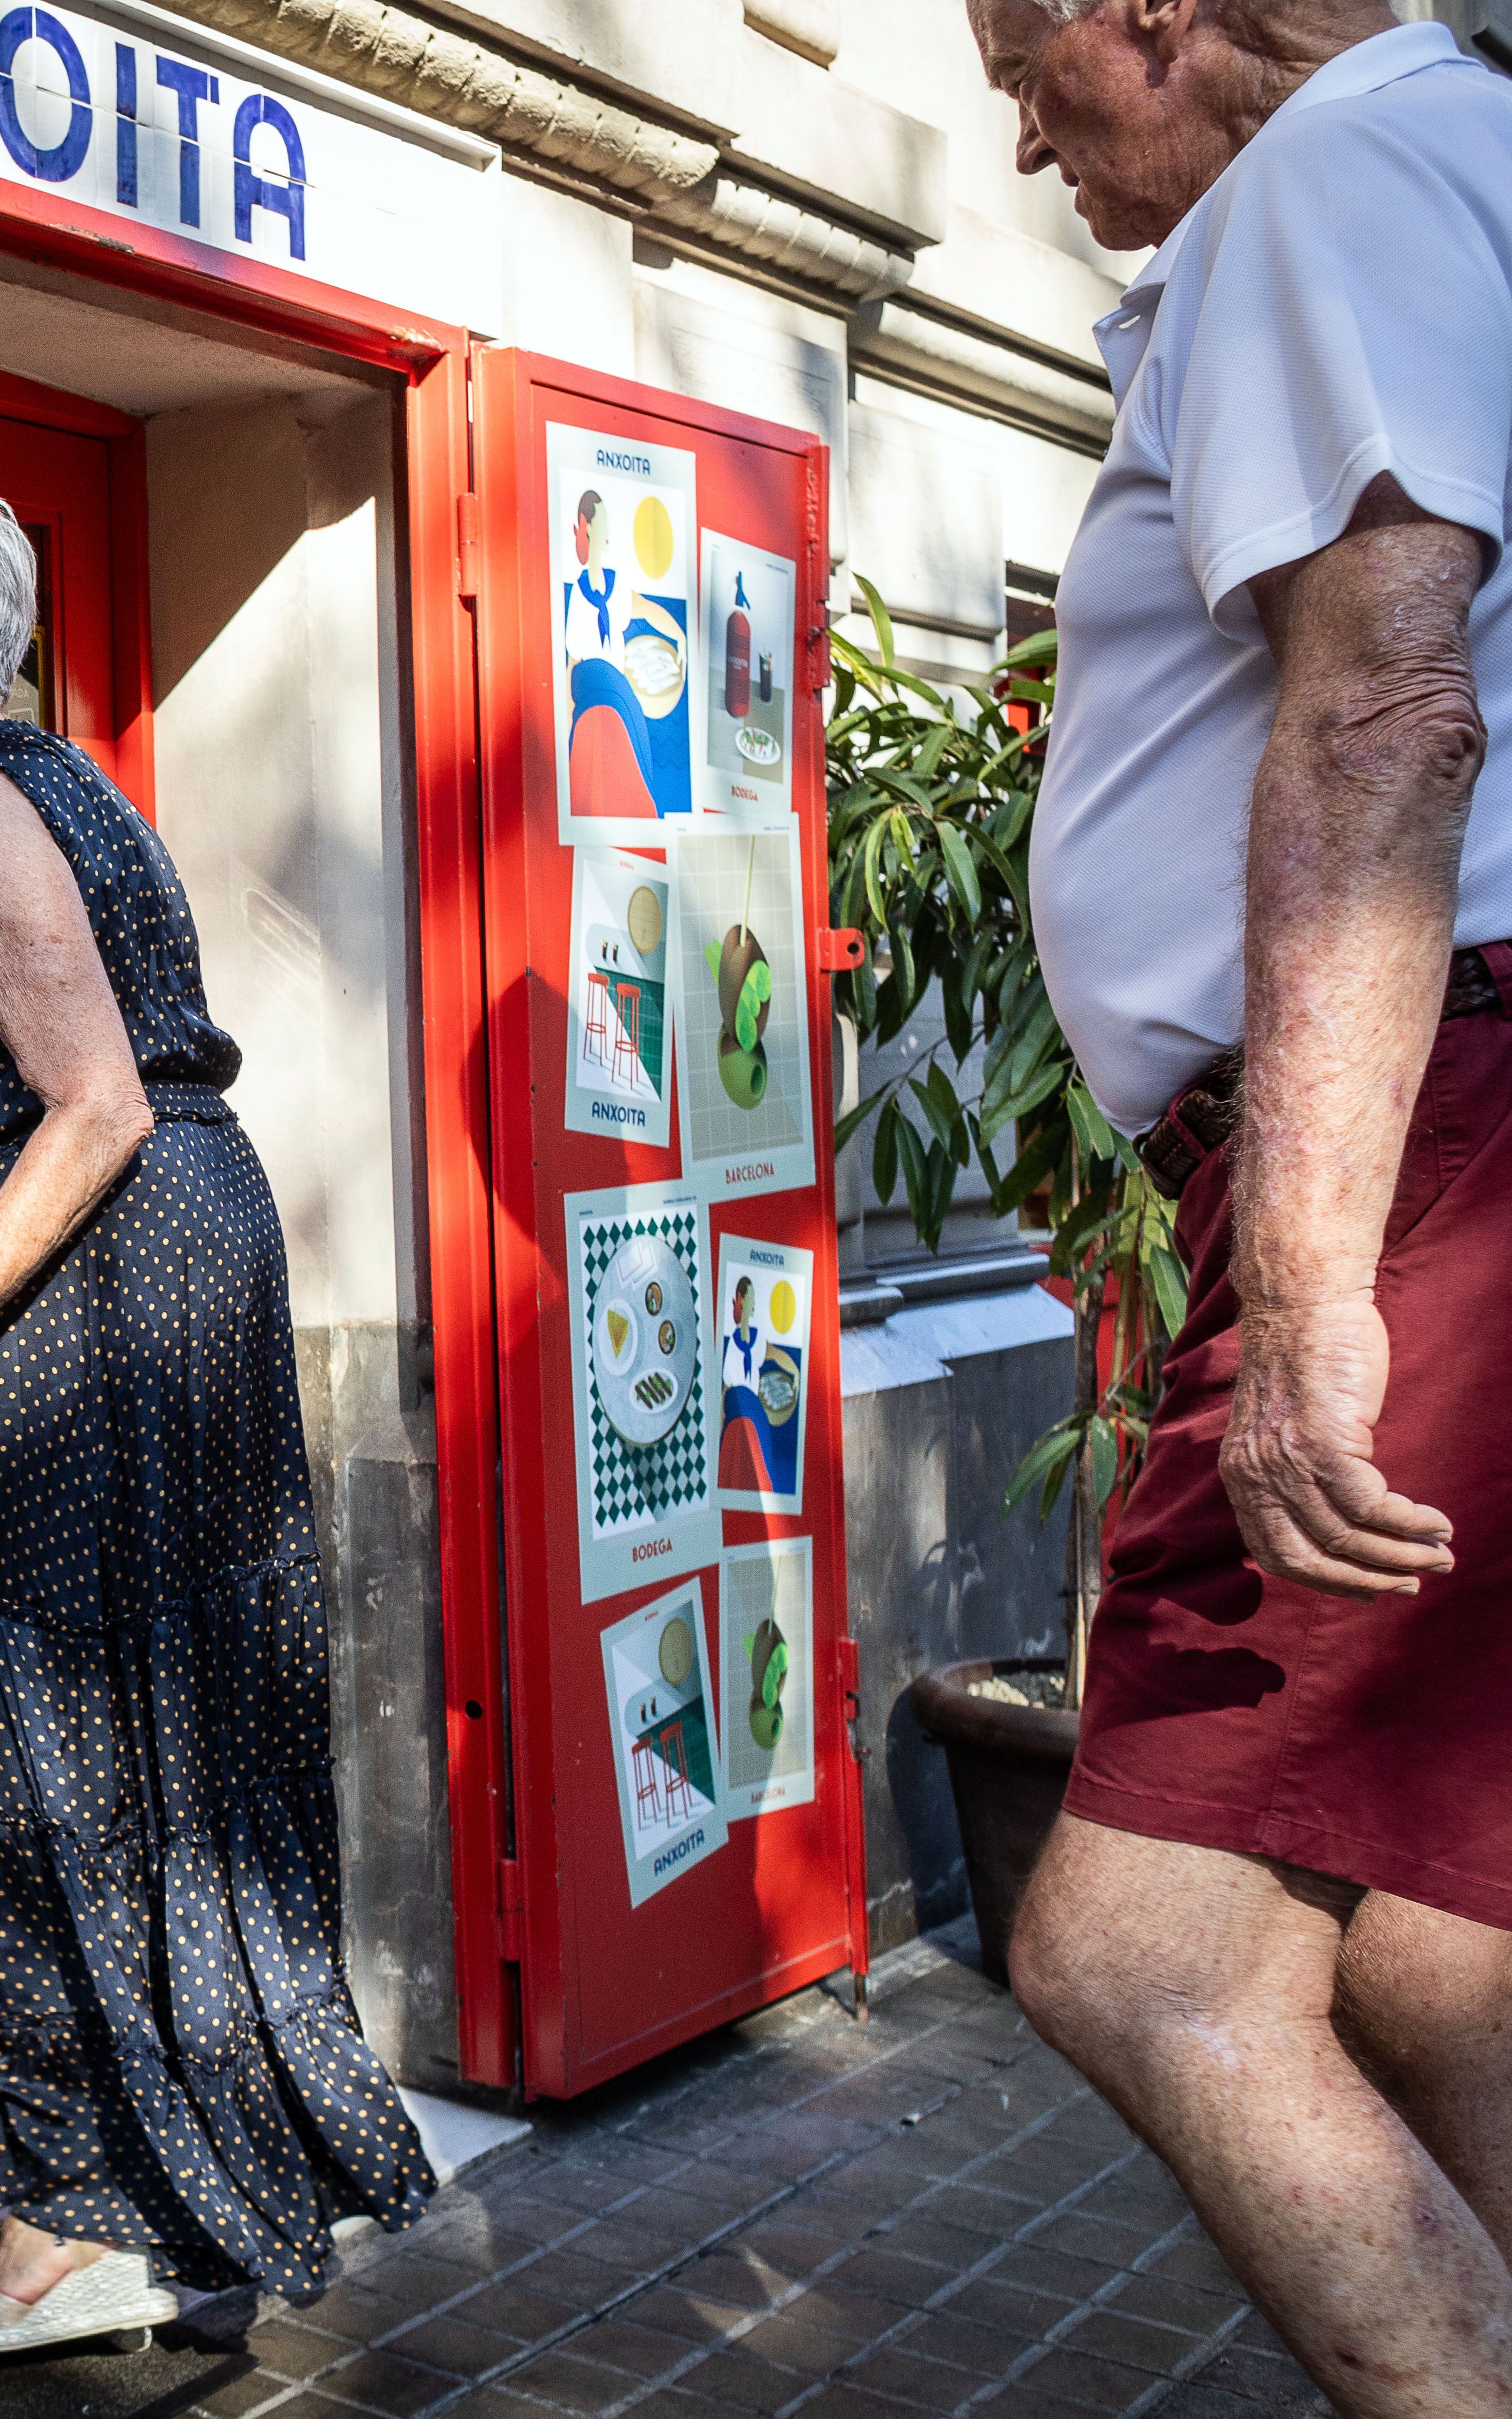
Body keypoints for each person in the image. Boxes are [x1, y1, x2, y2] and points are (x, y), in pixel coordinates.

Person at [0, 476, 433, 2356]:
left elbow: (93, 1101)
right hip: (156, 1260)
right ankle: (147, 2185)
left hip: (107, 1256)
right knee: (129, 1715)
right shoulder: (69, 783)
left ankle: (60, 2221)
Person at [968, 5, 1512, 2409]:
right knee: (1416, 1942)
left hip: (1410, 1130)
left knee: (1142, 1949)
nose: (1013, 124)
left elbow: (1383, 702)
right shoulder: (1438, 156)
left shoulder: (1336, 164)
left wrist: (1299, 1279)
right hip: (1439, 1101)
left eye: (1023, 54)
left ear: (1146, 14)